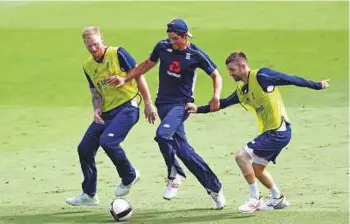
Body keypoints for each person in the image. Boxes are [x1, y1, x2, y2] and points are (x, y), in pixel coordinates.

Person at [186, 51, 330, 213]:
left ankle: (254, 198)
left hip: (278, 131)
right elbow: (223, 103)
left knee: (242, 156)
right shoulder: (242, 91)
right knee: (257, 169)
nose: (230, 74)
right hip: (272, 132)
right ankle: (277, 198)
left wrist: (317, 85)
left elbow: (290, 79)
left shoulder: (262, 76)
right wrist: (198, 109)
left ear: (243, 66)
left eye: (232, 70)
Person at [110, 18, 226, 209]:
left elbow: (216, 75)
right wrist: (126, 78)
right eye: (170, 38)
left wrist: (216, 97)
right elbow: (147, 64)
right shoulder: (162, 47)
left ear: (185, 36)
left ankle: (175, 174)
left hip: (181, 105)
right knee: (184, 151)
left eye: (175, 38)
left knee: (162, 135)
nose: (171, 42)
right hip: (163, 104)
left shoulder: (195, 54)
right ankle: (215, 188)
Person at [66, 27, 157, 206]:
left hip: (127, 108)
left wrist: (148, 103)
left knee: (108, 141)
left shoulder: (118, 53)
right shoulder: (88, 66)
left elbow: (139, 76)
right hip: (106, 113)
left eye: (96, 44)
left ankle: (129, 175)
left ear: (102, 40)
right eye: (89, 45)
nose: (93, 48)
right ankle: (89, 194)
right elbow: (95, 92)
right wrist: (96, 109)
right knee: (84, 148)